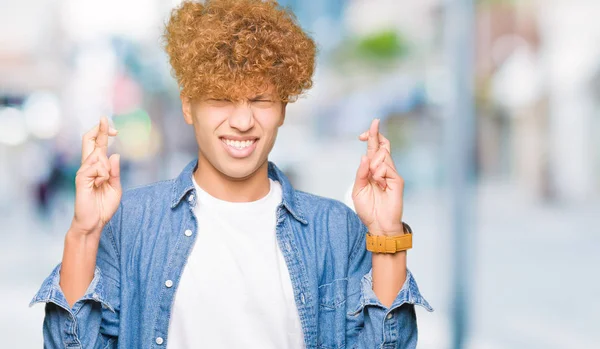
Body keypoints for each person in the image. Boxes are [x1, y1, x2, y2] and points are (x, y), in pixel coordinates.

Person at [30, 0, 431, 348]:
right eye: (221, 99)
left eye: (260, 99)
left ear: (284, 108)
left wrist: (388, 235)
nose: (243, 120)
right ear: (189, 106)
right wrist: (82, 234)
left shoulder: (335, 228)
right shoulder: (131, 221)